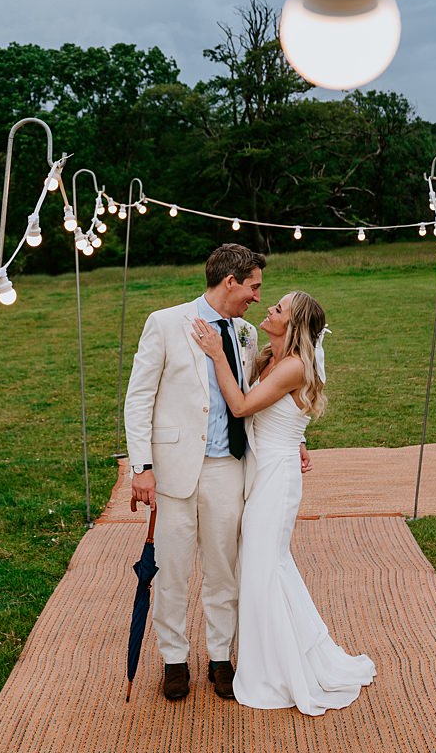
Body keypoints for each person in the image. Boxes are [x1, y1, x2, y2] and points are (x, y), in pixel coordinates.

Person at [189, 290, 376, 715]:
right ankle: (281, 656)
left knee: (261, 569)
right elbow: (283, 414)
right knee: (267, 568)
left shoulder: (292, 365)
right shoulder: (271, 358)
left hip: (275, 480)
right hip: (263, 470)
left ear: (292, 326)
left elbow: (240, 406)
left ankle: (273, 673)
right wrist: (301, 437)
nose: (269, 309)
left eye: (279, 308)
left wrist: (217, 354)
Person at [124, 243, 277, 701]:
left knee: (223, 569)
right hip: (172, 470)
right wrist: (142, 468)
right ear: (230, 281)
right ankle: (173, 660)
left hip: (228, 467)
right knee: (171, 570)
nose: (255, 297)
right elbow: (139, 399)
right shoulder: (166, 323)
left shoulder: (247, 334)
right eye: (252, 287)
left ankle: (219, 658)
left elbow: (249, 396)